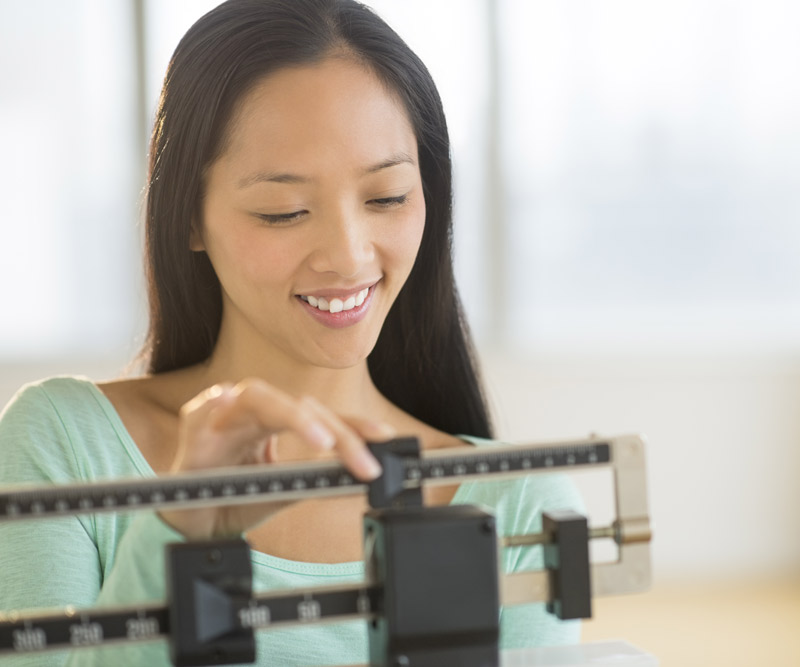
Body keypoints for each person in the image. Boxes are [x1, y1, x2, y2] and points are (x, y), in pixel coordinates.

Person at [0, 0, 582, 664]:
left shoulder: (516, 504)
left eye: (387, 197)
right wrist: (177, 533)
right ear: (189, 217)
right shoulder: (65, 443)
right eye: (285, 211)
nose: (349, 255)